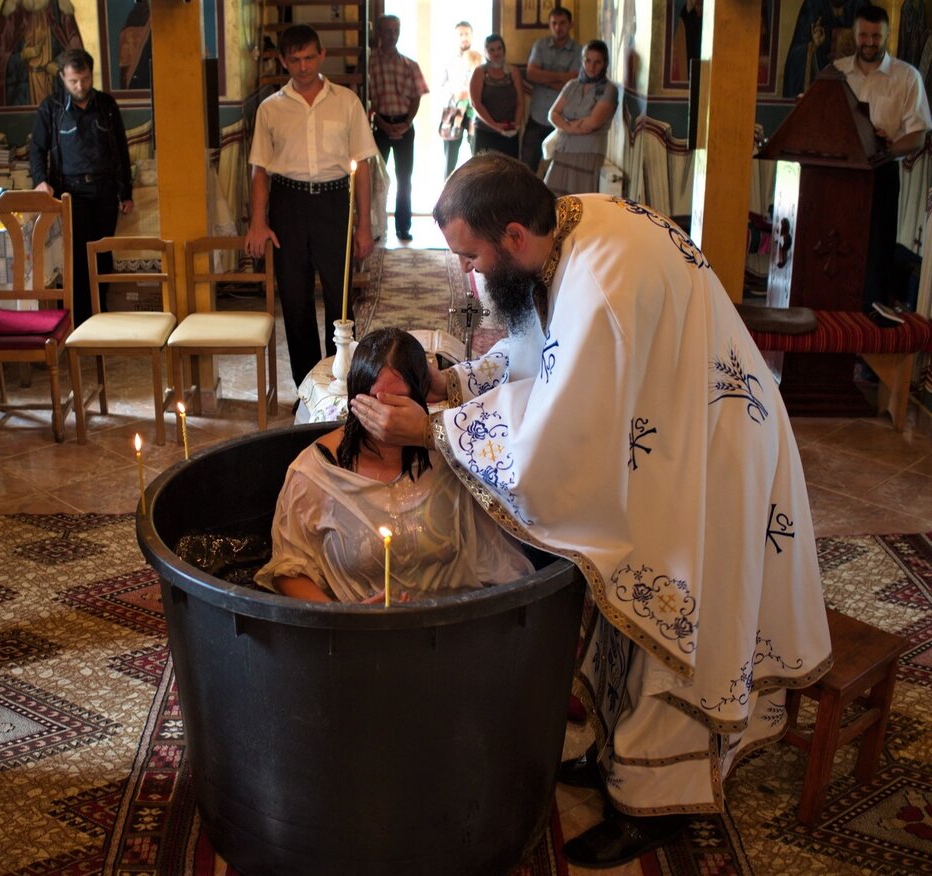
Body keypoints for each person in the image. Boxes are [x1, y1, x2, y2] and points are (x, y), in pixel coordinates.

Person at [350, 154, 832, 868]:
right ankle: (616, 753)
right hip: (671, 429)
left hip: (704, 459)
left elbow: (558, 442)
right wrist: (464, 378)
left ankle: (656, 801)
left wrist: (435, 432)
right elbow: (544, 352)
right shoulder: (568, 226)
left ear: (514, 235)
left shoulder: (603, 283)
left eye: (472, 257)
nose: (470, 277)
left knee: (669, 602)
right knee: (623, 591)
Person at [255, 327, 536, 602]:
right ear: (354, 396)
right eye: (374, 403)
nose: (386, 418)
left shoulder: (451, 456)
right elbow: (288, 571)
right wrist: (346, 620)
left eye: (399, 402)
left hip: (448, 625)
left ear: (423, 397)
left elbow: (492, 557)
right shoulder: (315, 474)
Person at [246, 24, 377, 390]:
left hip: (336, 202)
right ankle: (307, 388)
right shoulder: (270, 109)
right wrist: (258, 221)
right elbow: (260, 170)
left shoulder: (347, 101)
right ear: (284, 61)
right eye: (295, 60)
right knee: (295, 299)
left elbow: (362, 166)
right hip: (288, 205)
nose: (303, 66)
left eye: (309, 58)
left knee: (339, 298)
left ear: (321, 56)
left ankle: (340, 382)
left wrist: (363, 225)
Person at [832, 6, 931, 310]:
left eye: (876, 35)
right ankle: (832, 318)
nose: (870, 42)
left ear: (887, 35)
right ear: (855, 34)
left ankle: (867, 335)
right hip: (838, 174)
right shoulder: (836, 72)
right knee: (835, 246)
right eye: (864, 34)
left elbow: (918, 135)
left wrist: (888, 149)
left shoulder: (907, 77)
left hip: (881, 174)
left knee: (875, 254)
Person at [30, 47, 134, 323]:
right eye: (73, 81)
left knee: (102, 252)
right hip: (70, 193)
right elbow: (37, 149)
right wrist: (41, 181)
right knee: (77, 256)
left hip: (104, 190)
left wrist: (127, 192)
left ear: (91, 74)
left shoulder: (106, 105)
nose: (80, 86)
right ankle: (82, 317)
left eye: (85, 79)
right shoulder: (50, 108)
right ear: (63, 78)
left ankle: (101, 312)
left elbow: (121, 150)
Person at [369, 14, 429, 243]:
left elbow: (416, 97)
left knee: (405, 178)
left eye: (396, 30)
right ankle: (375, 225)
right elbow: (365, 98)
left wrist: (407, 122)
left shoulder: (409, 64)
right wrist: (381, 122)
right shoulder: (370, 62)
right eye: (387, 31)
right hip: (379, 125)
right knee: (377, 179)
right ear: (379, 33)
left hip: (404, 125)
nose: (392, 35)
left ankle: (403, 227)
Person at [544, 40, 618, 197]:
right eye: (588, 61)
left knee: (581, 203)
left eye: (597, 62)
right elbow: (552, 114)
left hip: (587, 153)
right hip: (563, 150)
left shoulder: (609, 89)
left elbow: (593, 122)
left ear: (605, 63)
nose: (591, 67)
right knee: (552, 201)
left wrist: (564, 125)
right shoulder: (572, 85)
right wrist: (571, 127)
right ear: (582, 60)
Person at [0, 0, 83, 106]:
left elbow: (76, 51)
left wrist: (59, 64)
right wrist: (22, 56)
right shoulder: (11, 10)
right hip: (22, 96)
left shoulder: (60, 9)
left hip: (55, 92)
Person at [522, 6, 580, 175]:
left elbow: (573, 83)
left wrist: (545, 78)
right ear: (549, 25)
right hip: (537, 117)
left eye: (562, 23)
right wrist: (561, 77)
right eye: (554, 23)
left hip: (563, 120)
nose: (558, 27)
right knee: (527, 166)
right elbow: (531, 74)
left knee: (560, 171)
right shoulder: (540, 45)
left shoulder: (579, 51)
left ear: (571, 24)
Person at [469, 34, 524, 159]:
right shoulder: (480, 72)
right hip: (485, 132)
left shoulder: (513, 71)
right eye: (491, 50)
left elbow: (520, 101)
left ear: (504, 50)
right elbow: (475, 103)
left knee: (510, 171)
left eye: (499, 48)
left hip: (509, 132)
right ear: (485, 52)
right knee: (484, 172)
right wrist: (495, 126)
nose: (496, 53)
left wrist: (517, 124)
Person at [440, 21, 482, 179]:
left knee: (477, 154)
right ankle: (446, 196)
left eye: (467, 34)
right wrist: (456, 94)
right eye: (461, 34)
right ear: (455, 37)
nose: (464, 37)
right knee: (449, 159)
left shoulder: (479, 58)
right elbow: (442, 85)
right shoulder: (448, 59)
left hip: (474, 111)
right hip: (453, 110)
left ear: (472, 35)